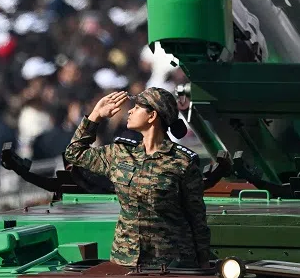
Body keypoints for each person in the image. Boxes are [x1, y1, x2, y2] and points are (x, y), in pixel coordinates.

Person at [64, 88, 212, 268]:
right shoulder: (120, 154)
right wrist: (96, 115)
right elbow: (74, 153)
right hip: (125, 260)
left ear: (152, 116)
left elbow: (197, 217)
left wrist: (203, 262)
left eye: (137, 107)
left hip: (170, 264)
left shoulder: (182, 162)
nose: (130, 111)